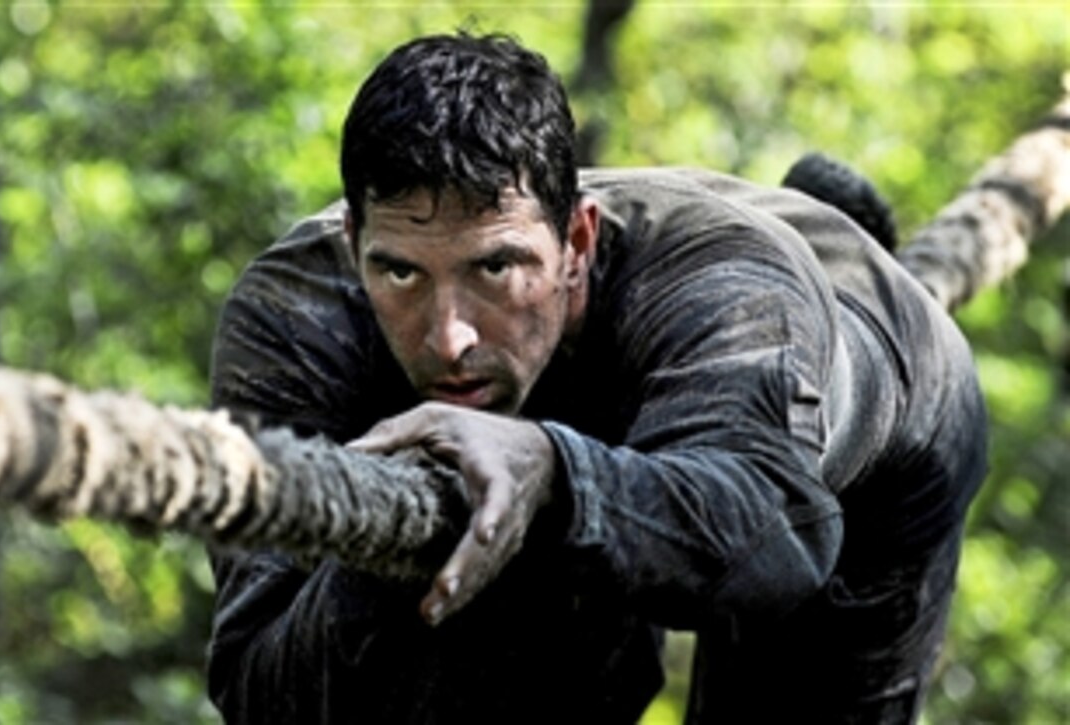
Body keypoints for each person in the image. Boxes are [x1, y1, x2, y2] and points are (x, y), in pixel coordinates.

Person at [206, 32, 987, 724]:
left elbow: (771, 536)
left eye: (496, 266)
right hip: (609, 418)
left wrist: (552, 472)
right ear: (352, 242)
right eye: (401, 273)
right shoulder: (297, 314)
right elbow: (263, 692)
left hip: (872, 454)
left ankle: (841, 239)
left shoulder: (720, 285)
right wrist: (381, 543)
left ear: (577, 239)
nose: (450, 337)